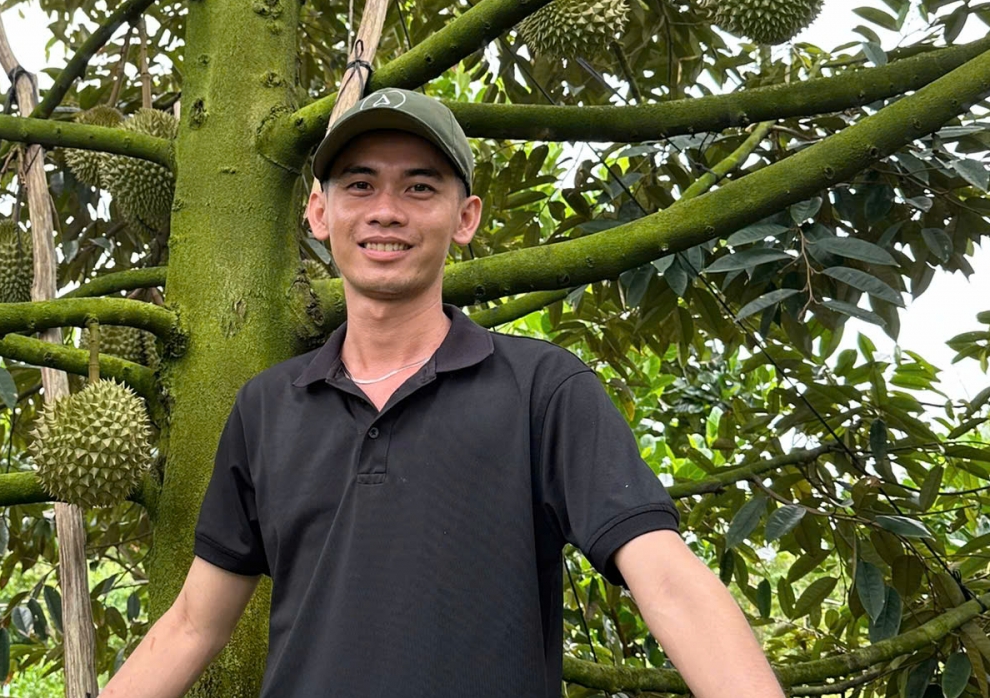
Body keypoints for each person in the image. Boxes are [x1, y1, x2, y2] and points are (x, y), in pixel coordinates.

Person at [102, 88, 784, 697]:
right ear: (318, 212)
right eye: (359, 186)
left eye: (420, 189)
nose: (387, 213)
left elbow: (665, 577)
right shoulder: (265, 408)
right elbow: (193, 625)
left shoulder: (544, 391)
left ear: (466, 217)